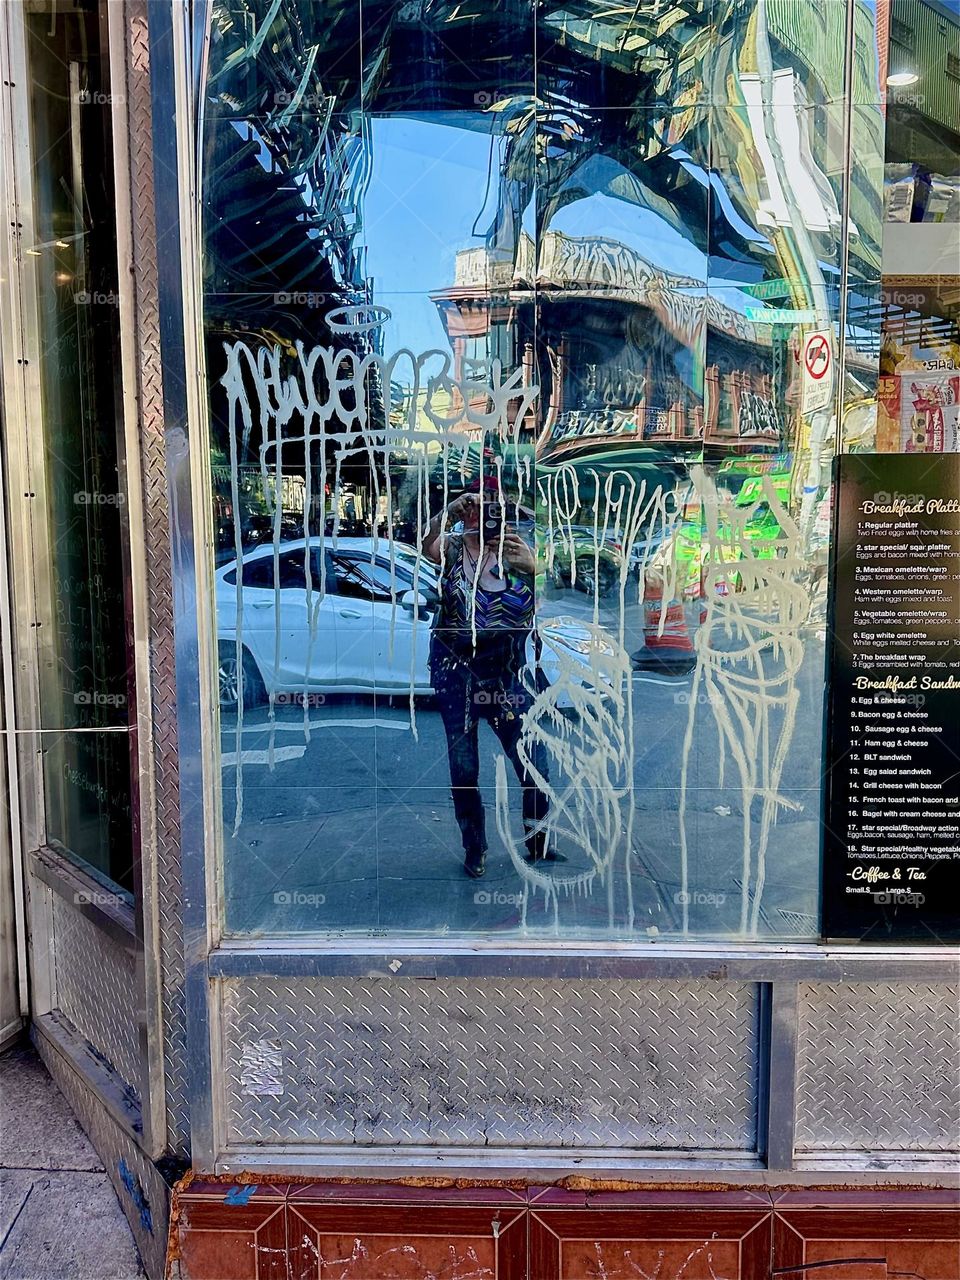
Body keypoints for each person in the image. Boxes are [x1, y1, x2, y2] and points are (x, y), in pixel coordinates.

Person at [422, 481, 563, 879]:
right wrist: (449, 510)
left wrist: (534, 568)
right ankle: (475, 847)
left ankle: (537, 841)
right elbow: (425, 542)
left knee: (534, 763)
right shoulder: (453, 549)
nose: (483, 515)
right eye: (474, 507)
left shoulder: (520, 551)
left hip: (507, 675)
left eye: (492, 507)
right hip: (457, 674)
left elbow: (553, 597)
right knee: (464, 768)